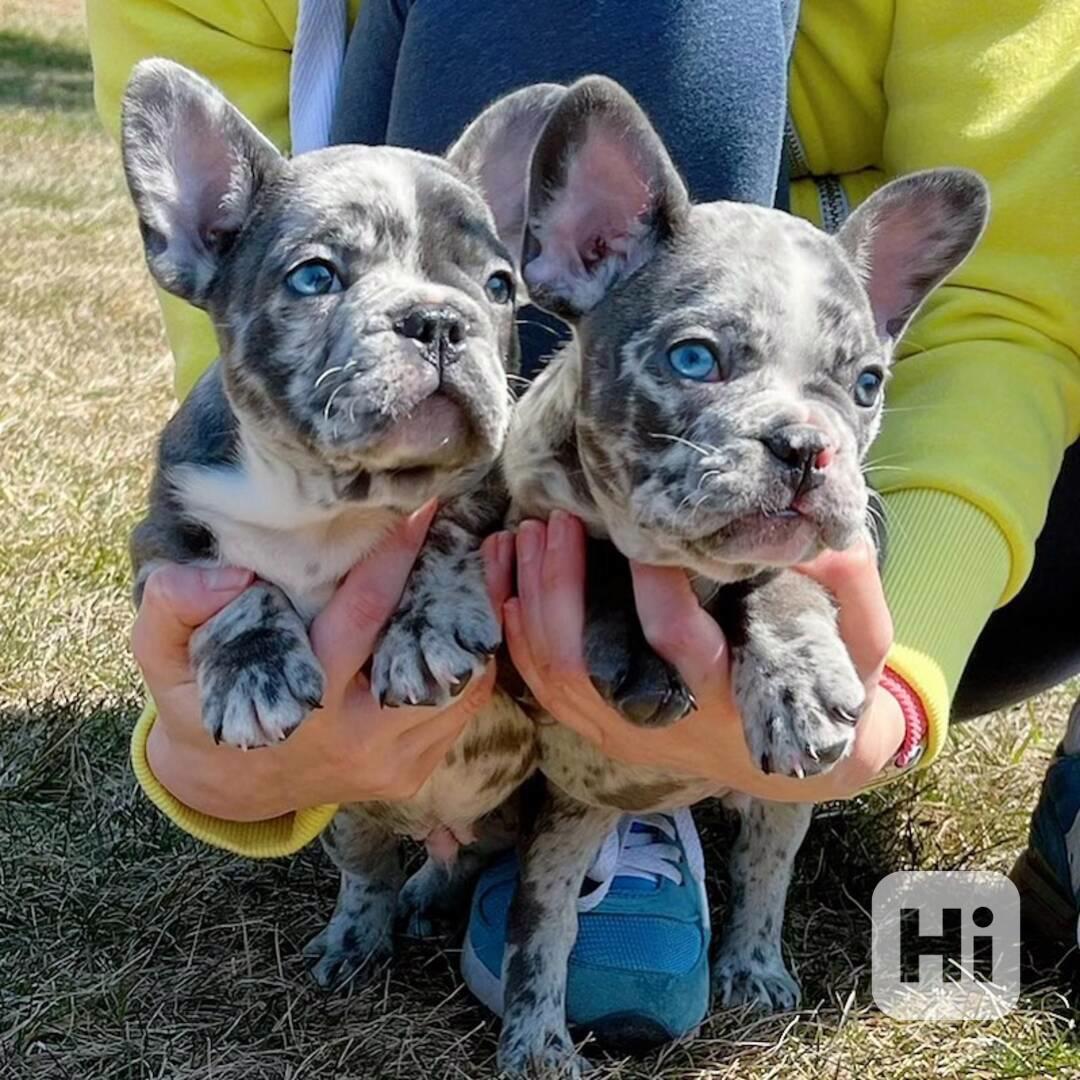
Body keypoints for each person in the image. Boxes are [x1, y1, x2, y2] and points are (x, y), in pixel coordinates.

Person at [86, 0, 1080, 1050]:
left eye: (487, 280)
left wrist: (902, 670)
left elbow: (1012, 299)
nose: (439, 316)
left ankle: (643, 786)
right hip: (551, 474)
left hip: (965, 523)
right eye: (325, 277)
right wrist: (209, 734)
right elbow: (241, 374)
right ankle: (535, 755)